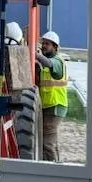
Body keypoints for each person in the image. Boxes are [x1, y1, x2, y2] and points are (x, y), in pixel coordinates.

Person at [35, 30, 68, 160]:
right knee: (51, 142)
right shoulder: (47, 62)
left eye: (47, 44)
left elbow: (50, 65)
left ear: (55, 47)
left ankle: (50, 168)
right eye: (43, 43)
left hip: (55, 106)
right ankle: (57, 165)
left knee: (47, 143)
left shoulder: (57, 61)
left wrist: (35, 55)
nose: (43, 46)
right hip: (49, 106)